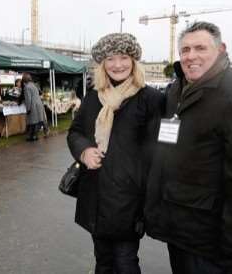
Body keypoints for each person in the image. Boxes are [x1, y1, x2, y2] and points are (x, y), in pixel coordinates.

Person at [144, 21, 232, 274]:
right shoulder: (178, 88)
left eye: (200, 48)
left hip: (211, 236)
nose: (191, 56)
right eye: (185, 50)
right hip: (179, 225)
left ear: (221, 49)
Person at [67, 33, 164, 274]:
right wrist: (83, 151)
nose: (117, 64)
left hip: (129, 199)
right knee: (103, 260)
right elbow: (75, 132)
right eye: (110, 59)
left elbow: (159, 152)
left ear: (133, 61)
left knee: (125, 261)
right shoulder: (93, 97)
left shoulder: (151, 99)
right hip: (96, 195)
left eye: (123, 57)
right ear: (102, 64)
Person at [21, 73, 47, 141]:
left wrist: (28, 108)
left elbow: (28, 99)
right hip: (39, 104)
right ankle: (35, 135)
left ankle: (32, 136)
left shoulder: (26, 87)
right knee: (38, 120)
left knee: (33, 121)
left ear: (24, 80)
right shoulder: (34, 85)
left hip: (33, 105)